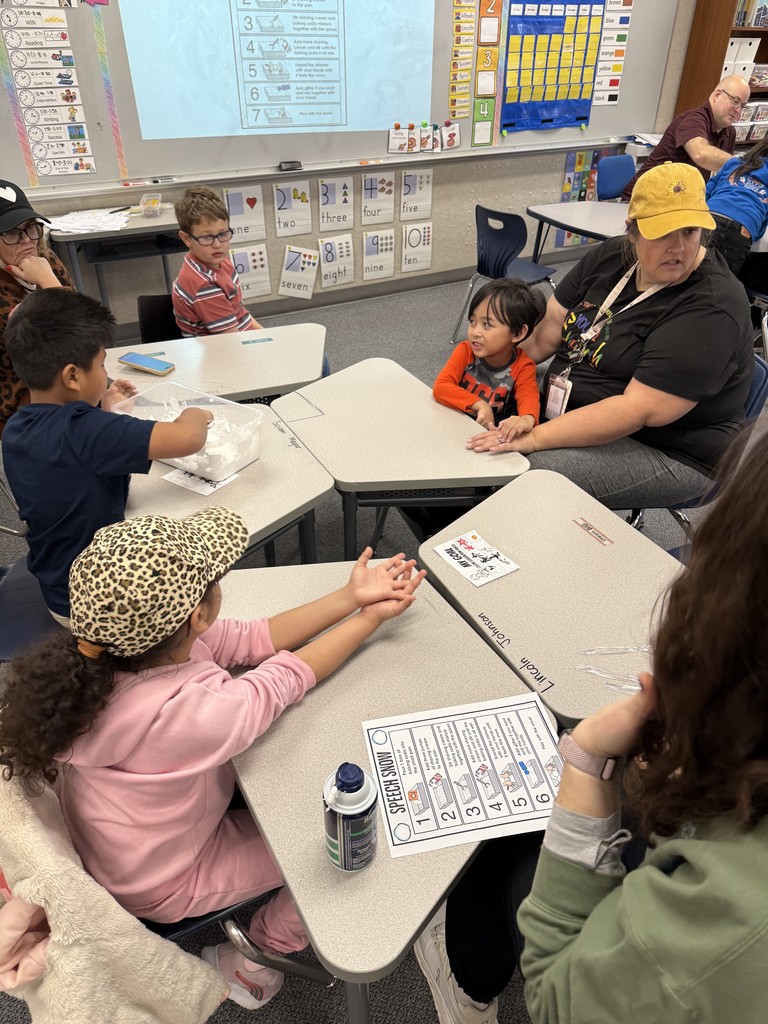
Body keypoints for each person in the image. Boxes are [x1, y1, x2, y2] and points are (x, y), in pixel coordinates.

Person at [0, 508, 425, 1011]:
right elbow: (285, 676)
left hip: (125, 845)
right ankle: (256, 957)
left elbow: (255, 638)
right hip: (164, 881)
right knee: (345, 847)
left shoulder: (113, 651)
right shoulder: (187, 716)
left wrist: (350, 598)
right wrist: (370, 618)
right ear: (198, 615)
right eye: (215, 578)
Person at [415, 427, 768, 1024]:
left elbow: (561, 1003)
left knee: (514, 817)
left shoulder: (735, 918)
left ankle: (467, 981)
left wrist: (584, 763)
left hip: (666, 448)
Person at [466, 162, 754, 513]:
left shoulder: (712, 307)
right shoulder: (611, 256)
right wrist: (483, 372)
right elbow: (545, 334)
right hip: (579, 398)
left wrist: (536, 437)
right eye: (662, 233)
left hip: (667, 448)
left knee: (525, 474)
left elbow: (636, 410)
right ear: (632, 230)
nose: (678, 248)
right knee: (472, 407)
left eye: (690, 231)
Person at [1, 289, 212, 622]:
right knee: (203, 576)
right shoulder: (87, 431)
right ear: (72, 376)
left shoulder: (16, 428)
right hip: (101, 603)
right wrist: (198, 413)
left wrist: (104, 408)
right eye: (101, 364)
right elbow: (188, 438)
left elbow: (74, 460)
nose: (105, 372)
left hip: (59, 587)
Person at [0, 178, 73, 435]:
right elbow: (69, 341)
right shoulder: (42, 271)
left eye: (31, 227)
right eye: (12, 232)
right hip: (19, 413)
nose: (27, 241)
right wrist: (47, 282)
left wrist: (47, 278)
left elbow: (87, 328)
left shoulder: (44, 260)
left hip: (64, 391)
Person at [433, 278, 544, 435]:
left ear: (518, 333)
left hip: (486, 435)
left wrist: (527, 418)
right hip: (452, 422)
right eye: (472, 322)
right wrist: (480, 405)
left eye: (486, 324)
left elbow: (529, 402)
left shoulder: (523, 367)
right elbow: (441, 386)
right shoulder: (466, 350)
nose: (475, 332)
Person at [621, 75, 750, 201]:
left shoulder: (729, 132)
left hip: (678, 202)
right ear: (717, 96)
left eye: (743, 106)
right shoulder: (693, 120)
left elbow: (726, 175)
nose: (738, 110)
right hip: (642, 201)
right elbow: (700, 154)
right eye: (735, 101)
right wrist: (742, 164)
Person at [172, 184, 264, 336]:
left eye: (222, 234)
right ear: (186, 238)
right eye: (207, 237)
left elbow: (240, 312)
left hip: (238, 335)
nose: (217, 244)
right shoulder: (204, 285)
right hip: (224, 345)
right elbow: (231, 340)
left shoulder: (217, 259)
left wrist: (267, 334)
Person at [705, 135, 768, 275]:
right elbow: (763, 223)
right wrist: (752, 233)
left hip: (711, 215)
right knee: (721, 279)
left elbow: (707, 192)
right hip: (743, 228)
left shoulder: (735, 163)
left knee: (691, 271)